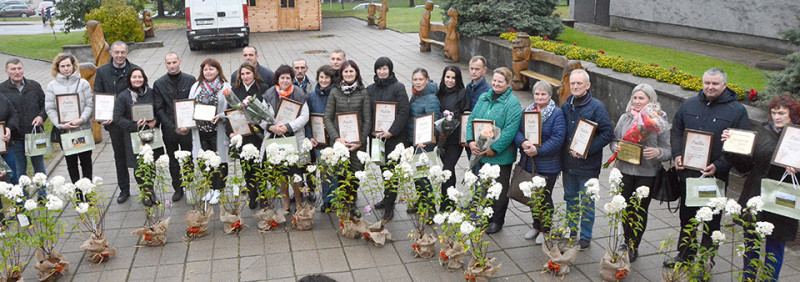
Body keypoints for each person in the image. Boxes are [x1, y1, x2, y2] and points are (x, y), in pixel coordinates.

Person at [665, 68, 750, 270]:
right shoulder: (689, 104)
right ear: (702, 83)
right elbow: (676, 131)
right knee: (686, 218)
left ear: (724, 85)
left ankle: (706, 261)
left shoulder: (737, 111)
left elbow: (739, 145)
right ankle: (684, 255)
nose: (710, 87)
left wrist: (720, 165)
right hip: (688, 175)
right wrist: (677, 154)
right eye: (707, 83)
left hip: (714, 177)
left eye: (715, 83)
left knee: (712, 222)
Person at [723, 94, 798, 281]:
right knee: (751, 244)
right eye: (774, 113)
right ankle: (748, 277)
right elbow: (744, 167)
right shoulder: (761, 132)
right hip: (755, 194)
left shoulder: (798, 136)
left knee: (775, 246)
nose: (777, 117)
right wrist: (731, 148)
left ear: (793, 114)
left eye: (782, 113)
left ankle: (770, 279)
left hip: (782, 198)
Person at [608, 83, 671, 262]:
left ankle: (634, 245)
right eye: (634, 97)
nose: (636, 101)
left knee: (640, 210)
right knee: (625, 207)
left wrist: (658, 153)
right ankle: (626, 240)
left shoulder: (659, 121)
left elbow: (668, 150)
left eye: (641, 98)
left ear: (650, 100)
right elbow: (614, 140)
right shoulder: (625, 118)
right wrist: (615, 147)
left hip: (647, 173)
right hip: (625, 170)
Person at [560, 69, 613, 250]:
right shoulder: (566, 105)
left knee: (587, 203)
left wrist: (587, 150)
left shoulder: (597, 107)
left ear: (588, 85)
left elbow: (607, 133)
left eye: (579, 83)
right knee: (570, 199)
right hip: (568, 163)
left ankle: (586, 236)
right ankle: (571, 230)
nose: (575, 86)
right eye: (572, 83)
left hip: (588, 165)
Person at [465, 67, 523, 234]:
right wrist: (470, 141)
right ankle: (486, 218)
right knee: (485, 187)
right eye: (495, 80)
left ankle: (497, 221)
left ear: (508, 83)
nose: (496, 84)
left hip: (500, 156)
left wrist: (494, 148)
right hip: (482, 153)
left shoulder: (512, 103)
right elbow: (472, 120)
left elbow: (510, 130)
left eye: (500, 81)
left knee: (499, 189)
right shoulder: (484, 97)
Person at [515, 81, 566, 244]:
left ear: (550, 96)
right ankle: (536, 226)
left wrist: (539, 150)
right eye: (537, 94)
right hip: (529, 161)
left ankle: (545, 230)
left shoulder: (556, 114)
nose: (540, 97)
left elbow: (558, 138)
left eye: (543, 94)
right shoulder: (527, 111)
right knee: (532, 197)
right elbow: (517, 131)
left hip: (548, 164)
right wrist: (522, 142)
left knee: (544, 197)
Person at [323, 60, 371, 216]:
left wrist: (360, 141)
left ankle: (352, 201)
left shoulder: (363, 92)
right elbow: (327, 118)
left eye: (351, 71)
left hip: (358, 144)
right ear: (341, 74)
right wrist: (336, 138)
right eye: (346, 72)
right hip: (339, 143)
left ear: (356, 73)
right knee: (340, 173)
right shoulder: (334, 92)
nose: (349, 74)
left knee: (355, 173)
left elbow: (367, 119)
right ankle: (344, 202)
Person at [94, 41, 140, 204]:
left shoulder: (134, 69)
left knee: (137, 156)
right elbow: (98, 94)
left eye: (122, 52)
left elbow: (142, 90)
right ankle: (124, 190)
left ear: (127, 53)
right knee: (119, 157)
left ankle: (144, 189)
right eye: (116, 52)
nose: (119, 55)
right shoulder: (102, 71)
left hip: (132, 121)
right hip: (113, 123)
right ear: (111, 53)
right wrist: (101, 118)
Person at [262, 64, 310, 212]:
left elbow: (305, 116)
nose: (285, 81)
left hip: (294, 137)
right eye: (282, 78)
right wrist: (270, 126)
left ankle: (298, 201)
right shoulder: (269, 94)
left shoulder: (299, 93)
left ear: (292, 78)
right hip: (276, 138)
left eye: (288, 78)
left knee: (296, 174)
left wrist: (288, 126)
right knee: (281, 174)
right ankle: (286, 203)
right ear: (277, 79)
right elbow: (261, 117)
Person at [367, 57, 410, 219]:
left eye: (385, 68)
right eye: (379, 69)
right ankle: (387, 198)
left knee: (392, 173)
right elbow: (367, 112)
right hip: (376, 138)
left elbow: (404, 112)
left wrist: (391, 131)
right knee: (382, 169)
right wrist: (371, 129)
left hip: (394, 138)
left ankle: (389, 208)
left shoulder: (399, 87)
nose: (382, 71)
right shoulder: (370, 89)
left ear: (390, 70)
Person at [44, 54, 94, 192]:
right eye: (62, 66)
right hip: (65, 131)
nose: (66, 69)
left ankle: (88, 192)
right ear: (57, 68)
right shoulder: (52, 86)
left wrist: (82, 119)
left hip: (82, 129)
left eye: (68, 65)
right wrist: (60, 124)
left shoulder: (83, 83)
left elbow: (90, 105)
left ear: (73, 66)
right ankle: (78, 193)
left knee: (86, 162)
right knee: (71, 163)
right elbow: (50, 108)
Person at [113, 67, 161, 206]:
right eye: (134, 77)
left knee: (151, 165)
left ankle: (151, 191)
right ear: (129, 79)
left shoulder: (151, 93)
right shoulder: (123, 96)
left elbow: (159, 109)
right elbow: (117, 117)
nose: (137, 79)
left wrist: (156, 120)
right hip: (133, 136)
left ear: (144, 78)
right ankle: (144, 193)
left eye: (140, 77)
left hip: (151, 135)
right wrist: (134, 125)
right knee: (139, 166)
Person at [1, 58, 47, 198]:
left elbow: (45, 105)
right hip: (15, 138)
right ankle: (24, 199)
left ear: (23, 69)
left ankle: (43, 196)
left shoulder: (34, 86)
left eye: (19, 68)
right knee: (20, 170)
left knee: (39, 167)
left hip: (35, 135)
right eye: (13, 69)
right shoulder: (1, 89)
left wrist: (41, 117)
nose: (17, 72)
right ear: (6, 71)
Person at [153, 52, 196, 202]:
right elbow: (159, 109)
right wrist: (173, 127)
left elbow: (195, 103)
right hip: (170, 129)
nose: (172, 66)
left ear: (180, 61)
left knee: (188, 158)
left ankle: (190, 185)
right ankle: (178, 188)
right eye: (169, 63)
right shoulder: (159, 84)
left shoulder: (190, 80)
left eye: (174, 62)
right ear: (165, 64)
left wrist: (188, 125)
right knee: (173, 160)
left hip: (188, 128)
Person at [188, 58, 232, 205]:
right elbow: (188, 106)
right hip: (201, 131)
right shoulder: (196, 87)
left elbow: (234, 108)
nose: (208, 72)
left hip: (217, 130)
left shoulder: (225, 87)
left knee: (220, 161)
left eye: (211, 69)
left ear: (218, 70)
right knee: (205, 160)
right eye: (205, 69)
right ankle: (212, 187)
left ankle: (219, 188)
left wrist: (222, 116)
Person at [229, 62, 268, 209]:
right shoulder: (235, 90)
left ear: (254, 74)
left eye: (248, 73)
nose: (245, 77)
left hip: (257, 134)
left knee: (260, 166)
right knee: (246, 168)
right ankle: (252, 195)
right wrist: (231, 132)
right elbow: (230, 113)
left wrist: (257, 123)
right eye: (242, 74)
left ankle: (264, 195)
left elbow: (267, 112)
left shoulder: (262, 88)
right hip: (243, 135)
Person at [405, 68, 440, 221]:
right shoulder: (416, 94)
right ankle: (421, 201)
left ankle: (431, 209)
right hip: (415, 141)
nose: (418, 82)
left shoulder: (431, 98)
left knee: (422, 176)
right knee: (416, 175)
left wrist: (424, 141)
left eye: (421, 79)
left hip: (424, 144)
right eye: (415, 79)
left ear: (427, 80)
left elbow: (433, 122)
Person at [435, 65, 469, 211]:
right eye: (447, 77)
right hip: (442, 138)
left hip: (455, 140)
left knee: (447, 169)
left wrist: (454, 120)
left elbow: (467, 114)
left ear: (458, 79)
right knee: (449, 170)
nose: (449, 80)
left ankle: (445, 205)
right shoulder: (439, 93)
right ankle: (452, 199)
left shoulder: (462, 93)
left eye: (453, 78)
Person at [306, 65, 337, 212]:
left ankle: (335, 198)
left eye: (327, 78)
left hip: (334, 138)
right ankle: (327, 199)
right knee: (324, 170)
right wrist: (310, 136)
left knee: (335, 170)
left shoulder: (336, 94)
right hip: (319, 140)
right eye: (321, 77)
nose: (324, 80)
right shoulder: (311, 96)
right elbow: (307, 118)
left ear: (332, 79)